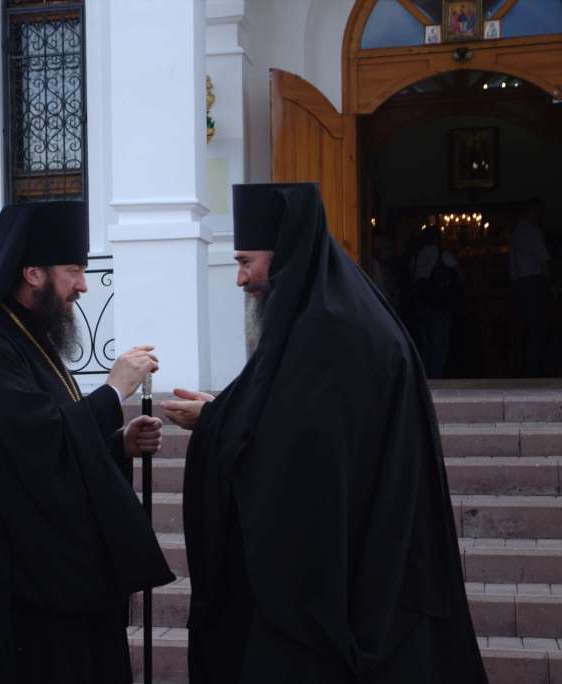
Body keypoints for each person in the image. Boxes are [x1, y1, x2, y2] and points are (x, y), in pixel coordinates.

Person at [163, 184, 487, 683]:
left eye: (246, 261)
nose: (239, 278)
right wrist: (223, 414)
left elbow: (300, 454)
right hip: (353, 565)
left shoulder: (334, 328)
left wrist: (215, 425)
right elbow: (288, 415)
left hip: (356, 589)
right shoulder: (324, 314)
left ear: (286, 253)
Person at [0, 201, 175, 683]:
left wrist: (118, 446)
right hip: (16, 582)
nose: (83, 285)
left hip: (50, 571)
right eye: (73, 270)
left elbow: (53, 442)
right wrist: (113, 391)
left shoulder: (29, 337)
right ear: (33, 272)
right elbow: (35, 445)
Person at [410, 226, 464, 379]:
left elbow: (412, 279)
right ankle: (436, 379)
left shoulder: (416, 256)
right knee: (439, 346)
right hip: (440, 303)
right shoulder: (444, 256)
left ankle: (425, 378)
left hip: (421, 303)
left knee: (424, 345)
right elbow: (460, 278)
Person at [510, 199, 550, 377]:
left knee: (526, 327)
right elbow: (544, 260)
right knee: (537, 328)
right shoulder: (532, 232)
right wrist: (550, 284)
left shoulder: (517, 232)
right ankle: (535, 369)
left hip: (521, 285)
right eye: (538, 212)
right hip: (534, 283)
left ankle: (527, 368)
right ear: (531, 211)